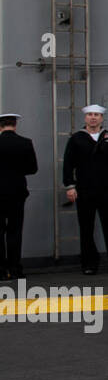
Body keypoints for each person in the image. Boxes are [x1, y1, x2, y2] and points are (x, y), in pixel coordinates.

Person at [62, 103, 108, 275]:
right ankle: (89, 264)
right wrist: (70, 186)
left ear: (102, 118)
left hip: (106, 189)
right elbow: (68, 164)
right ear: (85, 118)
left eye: (96, 115)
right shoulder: (76, 138)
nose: (93, 117)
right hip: (84, 189)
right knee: (86, 228)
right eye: (90, 114)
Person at [0, 112, 38, 279]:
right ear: (15, 125)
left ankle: (0, 271)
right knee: (15, 231)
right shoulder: (25, 143)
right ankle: (15, 269)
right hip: (17, 192)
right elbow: (32, 169)